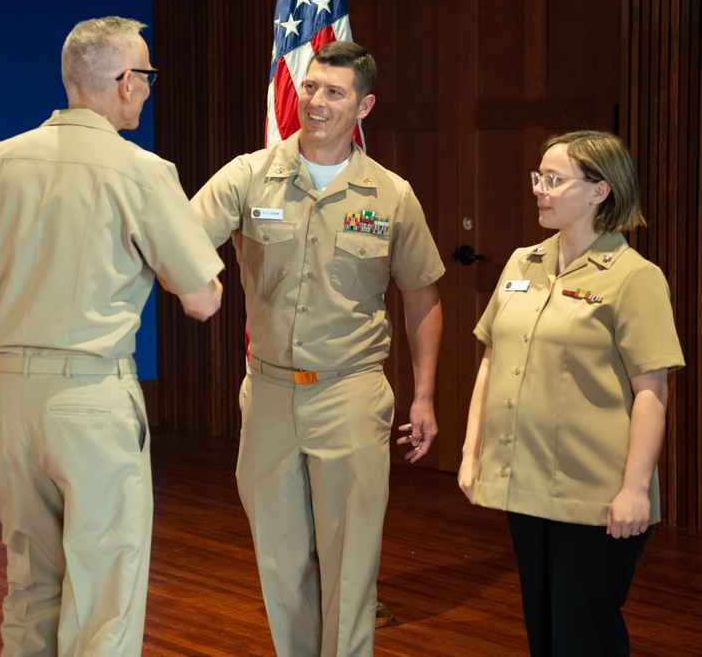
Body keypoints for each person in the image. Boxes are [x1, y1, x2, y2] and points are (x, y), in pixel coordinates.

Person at [0, 16, 224, 656]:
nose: (148, 88)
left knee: (30, 582)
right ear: (122, 82)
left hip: (9, 399)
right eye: (145, 75)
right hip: (94, 404)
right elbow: (201, 301)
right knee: (104, 597)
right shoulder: (143, 171)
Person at [192, 41, 444, 656]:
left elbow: (422, 297)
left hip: (351, 392)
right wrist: (195, 280)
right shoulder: (248, 175)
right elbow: (180, 238)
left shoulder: (391, 195)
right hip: (271, 393)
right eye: (310, 87)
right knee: (280, 561)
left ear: (364, 106)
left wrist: (425, 396)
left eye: (335, 92)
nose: (317, 102)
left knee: (351, 562)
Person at [458, 130, 684, 656]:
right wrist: (473, 453)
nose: (540, 189)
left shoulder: (635, 278)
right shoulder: (521, 263)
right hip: (525, 484)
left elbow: (652, 392)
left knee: (584, 637)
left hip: (595, 495)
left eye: (554, 180)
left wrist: (635, 489)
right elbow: (491, 363)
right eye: (539, 178)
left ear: (600, 191)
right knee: (544, 630)